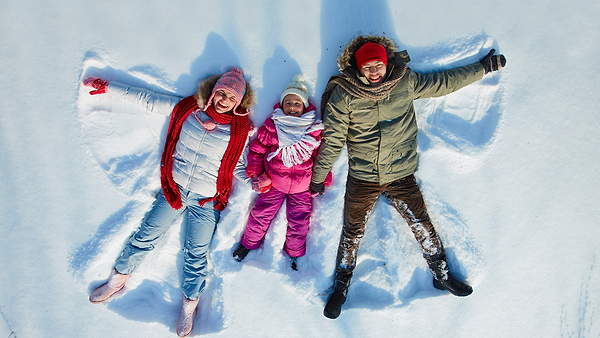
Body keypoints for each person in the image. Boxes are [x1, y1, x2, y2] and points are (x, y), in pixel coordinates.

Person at [310, 34, 506, 319]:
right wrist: (319, 176)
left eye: (378, 64)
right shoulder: (344, 94)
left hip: (401, 172)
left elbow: (444, 82)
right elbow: (334, 138)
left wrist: (483, 68)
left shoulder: (404, 81)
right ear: (358, 68)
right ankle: (341, 286)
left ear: (387, 63)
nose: (374, 71)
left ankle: (441, 273)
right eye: (368, 67)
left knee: (421, 223)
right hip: (363, 177)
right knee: (352, 231)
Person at [84, 67, 254, 337]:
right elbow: (148, 99)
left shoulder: (239, 131)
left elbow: (239, 166)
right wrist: (109, 87)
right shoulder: (188, 108)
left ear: (239, 102)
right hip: (174, 189)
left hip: (205, 200)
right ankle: (118, 279)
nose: (223, 100)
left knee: (196, 254)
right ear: (212, 91)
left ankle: (189, 306)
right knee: (145, 235)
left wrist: (256, 181)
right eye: (221, 93)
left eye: (231, 98)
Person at [232, 75, 331, 270]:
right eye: (288, 103)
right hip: (273, 183)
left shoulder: (312, 130)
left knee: (299, 221)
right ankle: (248, 244)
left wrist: (323, 180)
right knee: (260, 214)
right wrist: (255, 172)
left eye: (297, 103)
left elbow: (321, 157)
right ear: (282, 105)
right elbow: (258, 149)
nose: (292, 107)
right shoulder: (273, 126)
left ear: (304, 106)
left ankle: (294, 253)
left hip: (302, 187)